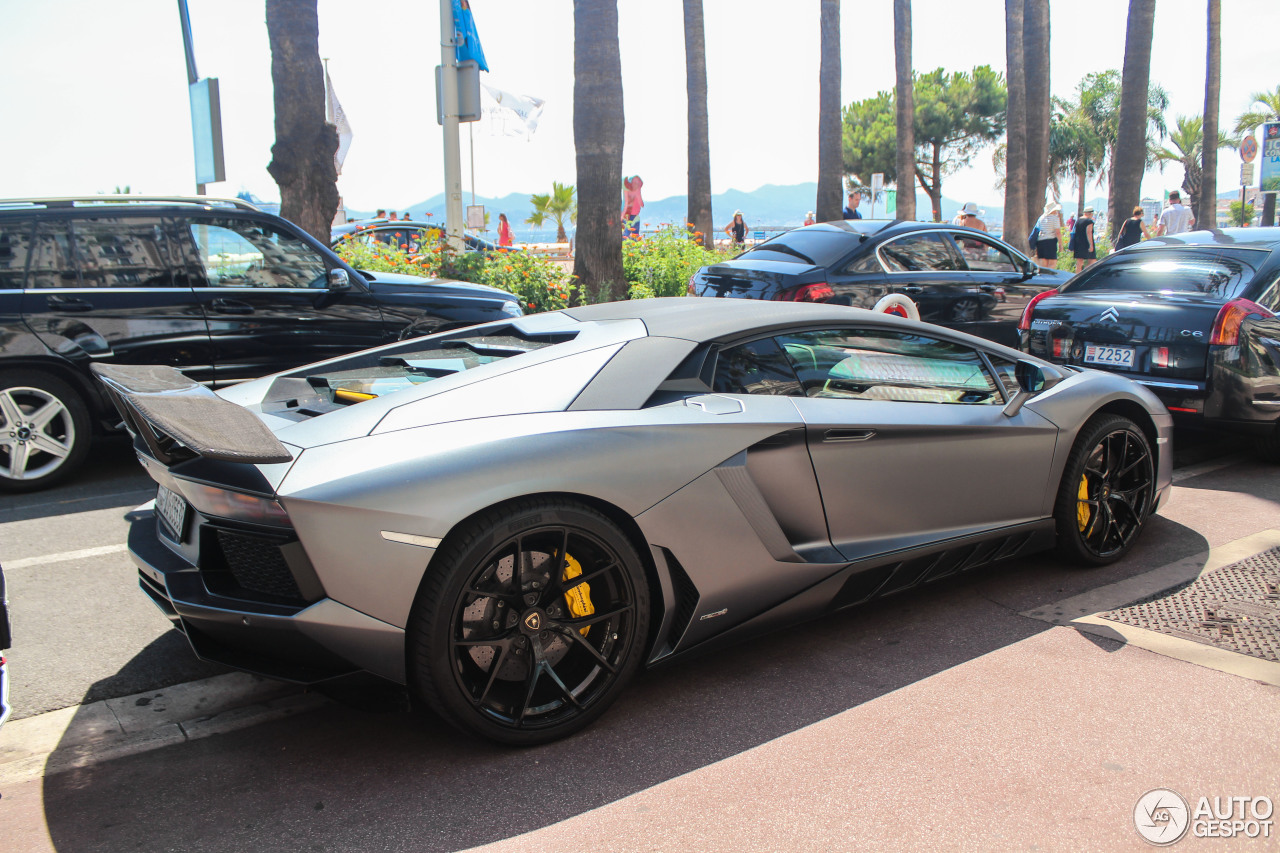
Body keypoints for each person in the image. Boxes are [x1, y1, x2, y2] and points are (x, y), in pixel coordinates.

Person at [1034, 202, 1062, 268]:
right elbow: (1058, 232)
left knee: (1043, 265)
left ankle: (1043, 277)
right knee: (1052, 263)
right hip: (1050, 241)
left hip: (1040, 241)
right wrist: (1060, 244)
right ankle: (1049, 277)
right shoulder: (1055, 218)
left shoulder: (1041, 218)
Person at [1071, 206, 1097, 273]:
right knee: (1093, 261)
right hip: (1086, 243)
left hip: (1078, 243)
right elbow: (1089, 232)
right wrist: (1091, 245)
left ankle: (1077, 276)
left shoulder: (1078, 220)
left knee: (1079, 263)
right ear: (1090, 213)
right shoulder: (1089, 221)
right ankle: (1083, 273)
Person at [622, 175, 644, 240]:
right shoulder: (634, 190)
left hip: (629, 214)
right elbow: (641, 203)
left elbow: (641, 202)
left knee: (629, 231)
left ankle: (629, 243)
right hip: (629, 214)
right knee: (629, 231)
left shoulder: (630, 190)